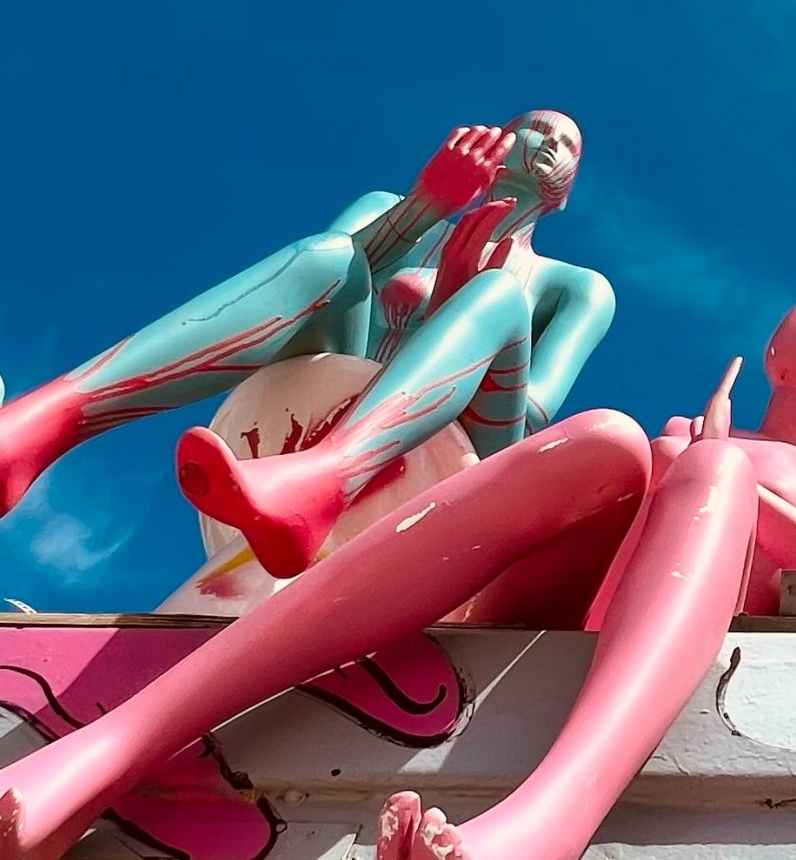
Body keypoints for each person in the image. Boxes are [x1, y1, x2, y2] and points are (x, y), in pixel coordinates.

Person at [0, 294, 796, 860]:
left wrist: (725, 479)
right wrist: (685, 455)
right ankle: (114, 746)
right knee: (606, 438)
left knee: (707, 473)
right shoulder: (704, 434)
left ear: (788, 364)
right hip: (560, 607)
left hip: (657, 651)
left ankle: (536, 843)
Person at [174, 111, 615, 575]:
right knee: (332, 255)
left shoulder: (575, 288)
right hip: (309, 408)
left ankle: (327, 479)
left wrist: (453, 304)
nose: (551, 145)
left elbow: (531, 417)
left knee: (497, 294)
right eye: (537, 130)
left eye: (568, 146)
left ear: (566, 191)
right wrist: (423, 206)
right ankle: (111, 397)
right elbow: (310, 284)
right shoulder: (389, 208)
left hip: (456, 457)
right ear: (496, 141)